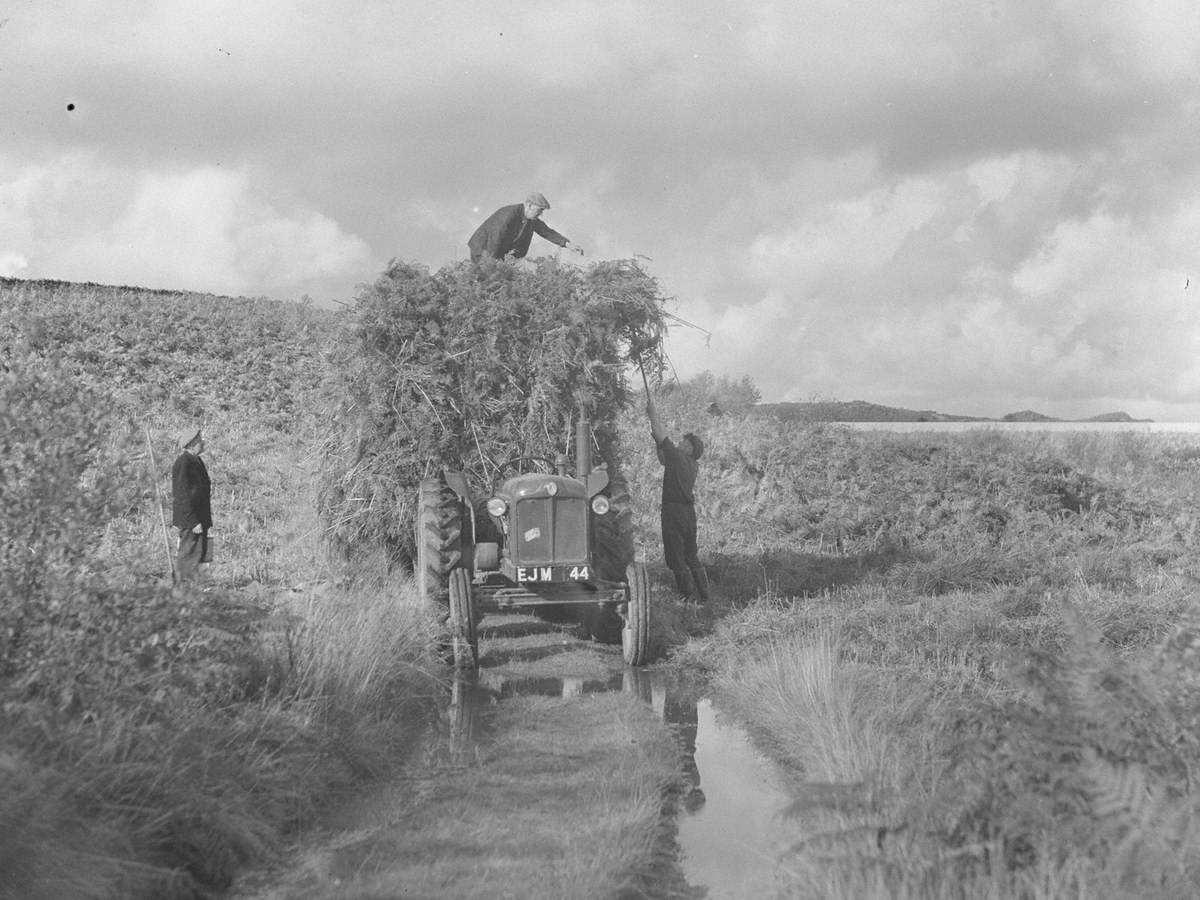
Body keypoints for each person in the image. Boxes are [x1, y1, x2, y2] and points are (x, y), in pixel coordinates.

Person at [646, 393, 711, 603]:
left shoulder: (679, 457)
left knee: (675, 557)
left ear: (690, 448)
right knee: (691, 555)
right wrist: (658, 443)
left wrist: (652, 413)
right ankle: (705, 595)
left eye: (684, 442)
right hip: (688, 514)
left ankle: (687, 596)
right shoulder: (692, 464)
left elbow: (660, 433)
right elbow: (664, 459)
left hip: (673, 511)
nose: (680, 442)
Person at [467, 192, 584, 262]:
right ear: (529, 205)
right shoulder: (508, 214)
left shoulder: (531, 219)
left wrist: (568, 245)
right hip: (483, 249)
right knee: (487, 280)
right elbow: (495, 239)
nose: (540, 214)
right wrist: (493, 263)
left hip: (497, 253)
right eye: (539, 210)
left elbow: (547, 232)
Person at [171, 428, 212, 584]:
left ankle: (195, 587)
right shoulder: (183, 463)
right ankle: (181, 589)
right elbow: (182, 495)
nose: (202, 443)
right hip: (190, 520)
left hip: (200, 517)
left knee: (199, 553)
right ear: (191, 444)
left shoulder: (197, 461)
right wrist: (193, 521)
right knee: (188, 554)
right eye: (199, 440)